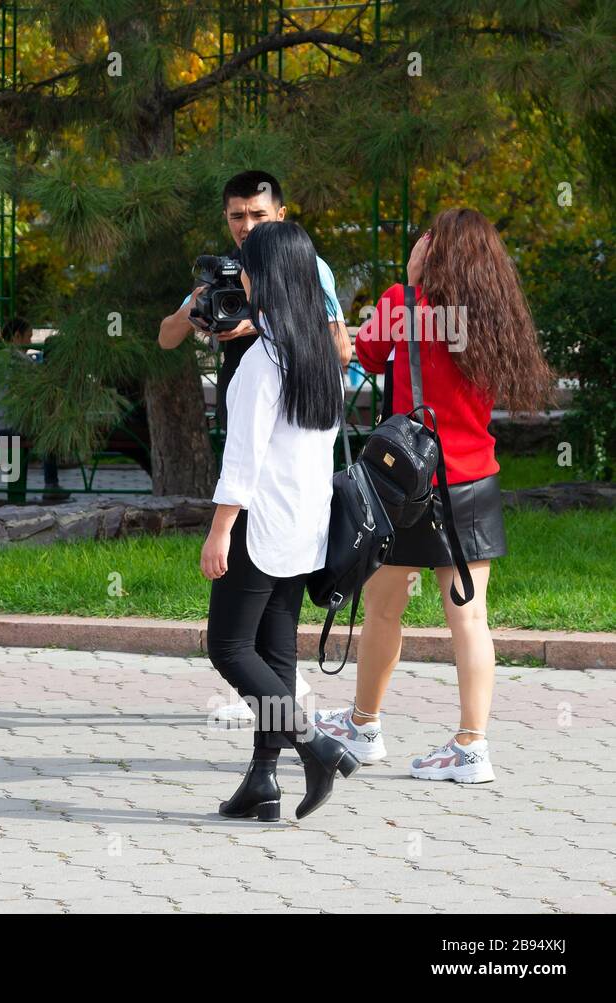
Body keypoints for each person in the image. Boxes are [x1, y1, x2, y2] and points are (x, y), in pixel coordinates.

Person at [315, 207, 554, 784]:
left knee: (382, 609)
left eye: (428, 239)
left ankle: (365, 726)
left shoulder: (403, 302)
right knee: (470, 618)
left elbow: (358, 356)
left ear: (437, 251)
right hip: (472, 479)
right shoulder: (496, 316)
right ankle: (472, 745)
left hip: (406, 483)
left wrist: (409, 281)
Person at [161, 170, 350, 723]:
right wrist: (195, 309)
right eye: (236, 217)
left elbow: (339, 347)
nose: (245, 226)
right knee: (271, 626)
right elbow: (168, 336)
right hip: (282, 473)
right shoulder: (224, 273)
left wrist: (265, 326)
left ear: (281, 215)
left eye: (257, 216)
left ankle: (296, 727)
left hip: (278, 440)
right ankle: (270, 759)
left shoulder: (305, 269)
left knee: (235, 641)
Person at [200, 221, 359, 821]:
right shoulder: (318, 354)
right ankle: (263, 780)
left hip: (259, 523)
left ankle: (315, 746)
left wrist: (220, 530)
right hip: (305, 526)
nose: (239, 274)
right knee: (276, 651)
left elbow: (242, 456)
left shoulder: (264, 361)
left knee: (230, 646)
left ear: (266, 278)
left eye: (247, 265)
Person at [0, 317, 70, 502]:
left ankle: (50, 484)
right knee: (50, 433)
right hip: (6, 426)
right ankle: (51, 485)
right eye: (28, 337)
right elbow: (39, 385)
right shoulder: (16, 359)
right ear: (16, 336)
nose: (30, 342)